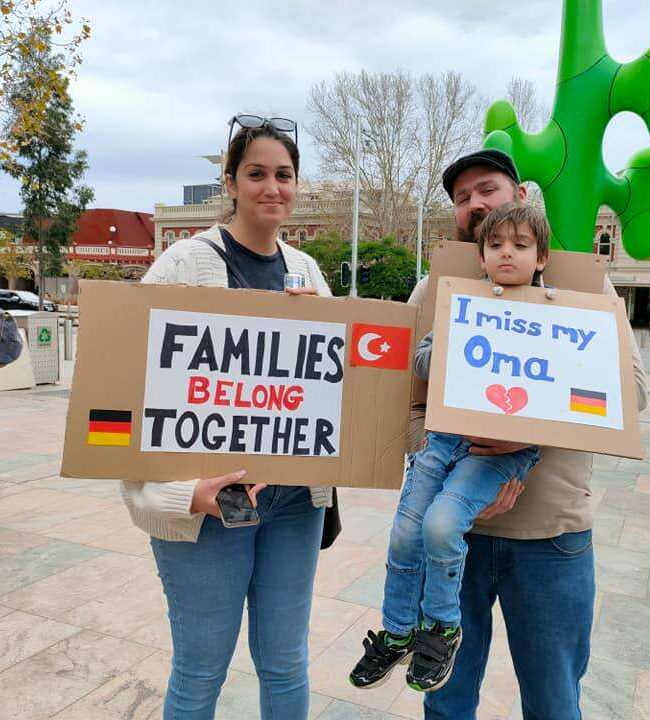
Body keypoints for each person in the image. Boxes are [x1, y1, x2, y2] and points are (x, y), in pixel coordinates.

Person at [399, 149, 648, 720]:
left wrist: (526, 438)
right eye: (462, 198)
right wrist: (457, 472)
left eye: (486, 189)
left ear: (521, 197)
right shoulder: (434, 291)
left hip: (551, 536)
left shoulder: (584, 287)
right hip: (455, 538)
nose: (475, 204)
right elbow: (405, 410)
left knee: (554, 703)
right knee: (446, 702)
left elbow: (629, 393)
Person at [120, 115, 334, 720]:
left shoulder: (308, 272)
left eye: (284, 175)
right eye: (256, 173)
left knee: (286, 663)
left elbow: (338, 388)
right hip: (212, 502)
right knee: (200, 669)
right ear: (231, 182)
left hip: (294, 503)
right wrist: (181, 494)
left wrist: (321, 326)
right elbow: (125, 390)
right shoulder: (182, 265)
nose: (272, 187)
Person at [350, 203, 548, 693]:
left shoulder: (556, 315)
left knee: (441, 525)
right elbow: (419, 360)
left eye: (521, 245)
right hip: (442, 438)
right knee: (405, 532)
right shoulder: (463, 302)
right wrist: (454, 343)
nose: (507, 253)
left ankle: (441, 627)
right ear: (481, 256)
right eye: (496, 245)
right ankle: (398, 631)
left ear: (541, 257)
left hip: (499, 452)